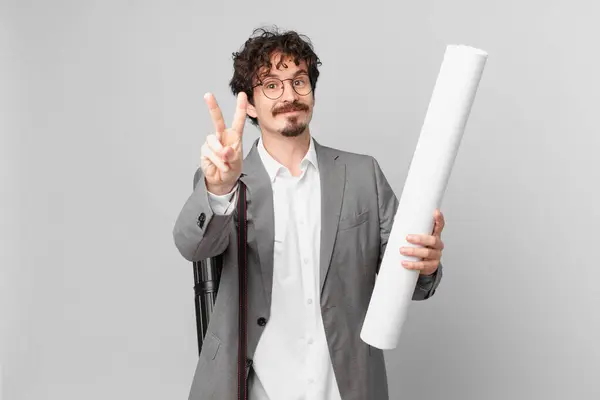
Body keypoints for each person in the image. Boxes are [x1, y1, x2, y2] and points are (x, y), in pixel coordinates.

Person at [173, 26, 445, 400]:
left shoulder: (362, 174)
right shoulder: (227, 179)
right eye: (271, 85)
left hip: (345, 385)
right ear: (249, 103)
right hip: (253, 387)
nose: (289, 95)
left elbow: (410, 283)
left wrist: (426, 265)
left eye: (299, 81)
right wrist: (219, 190)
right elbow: (192, 245)